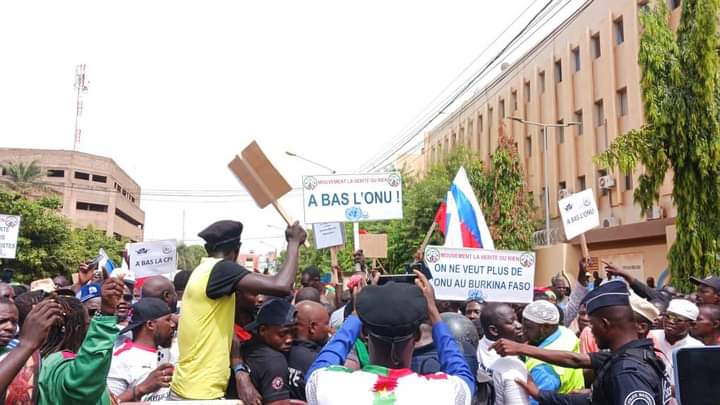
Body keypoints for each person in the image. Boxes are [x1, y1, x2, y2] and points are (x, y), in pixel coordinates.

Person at [170, 220, 307, 400]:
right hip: (200, 393)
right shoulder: (220, 269)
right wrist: (294, 242)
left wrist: (239, 371)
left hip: (192, 387)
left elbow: (228, 334)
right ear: (237, 250)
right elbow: (282, 285)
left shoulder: (202, 271)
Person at [305, 271, 475, 405]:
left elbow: (319, 368)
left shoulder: (335, 389)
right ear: (416, 336)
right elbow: (462, 375)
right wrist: (433, 312)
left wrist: (358, 313)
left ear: (363, 333)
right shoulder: (439, 393)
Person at [497, 280, 672, 405]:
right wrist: (540, 394)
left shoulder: (626, 372)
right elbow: (575, 361)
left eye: (593, 325)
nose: (590, 331)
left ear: (605, 324)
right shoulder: (631, 356)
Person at [37, 277, 124, 405]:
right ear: (78, 327)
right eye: (90, 315)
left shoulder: (40, 360)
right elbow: (81, 387)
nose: (92, 322)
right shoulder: (60, 363)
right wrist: (106, 315)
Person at [107, 297, 177, 402]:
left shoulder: (169, 352)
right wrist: (142, 388)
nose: (173, 324)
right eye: (167, 320)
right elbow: (111, 403)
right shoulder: (120, 359)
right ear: (150, 324)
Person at [0, 298, 63, 404]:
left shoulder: (23, 356)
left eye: (14, 322)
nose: (10, 327)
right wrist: (26, 345)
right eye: (2, 321)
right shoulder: (22, 350)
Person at [522, 300, 584, 403]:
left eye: (528, 327)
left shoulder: (542, 369)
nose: (523, 330)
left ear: (546, 327)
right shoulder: (566, 333)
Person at [241, 299, 297, 405]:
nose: (289, 339)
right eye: (283, 334)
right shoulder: (275, 361)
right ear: (262, 330)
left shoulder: (242, 348)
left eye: (293, 333)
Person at [477, 302, 529, 405]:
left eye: (517, 320)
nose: (519, 325)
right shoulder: (512, 365)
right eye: (511, 322)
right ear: (494, 330)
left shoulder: (474, 348)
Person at [648, 298, 704, 382]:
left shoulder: (697, 348)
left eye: (678, 320)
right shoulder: (650, 337)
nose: (670, 321)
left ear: (692, 324)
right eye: (668, 316)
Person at [289, 300, 332, 401]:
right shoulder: (319, 363)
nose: (330, 329)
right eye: (326, 324)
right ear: (313, 327)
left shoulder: (276, 353)